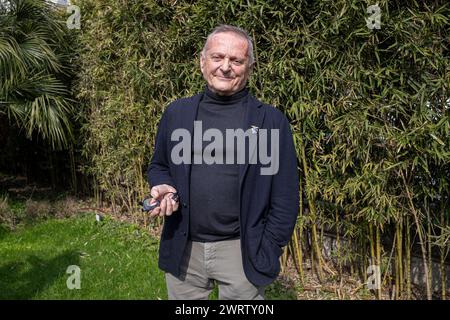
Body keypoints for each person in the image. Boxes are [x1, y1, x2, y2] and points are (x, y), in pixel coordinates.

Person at [147, 24, 299, 300]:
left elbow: (285, 196)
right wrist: (164, 186)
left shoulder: (270, 122)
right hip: (184, 247)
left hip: (242, 251)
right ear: (202, 62)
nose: (225, 67)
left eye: (236, 60)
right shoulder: (177, 113)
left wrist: (269, 246)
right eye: (217, 57)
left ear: (249, 68)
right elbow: (159, 165)